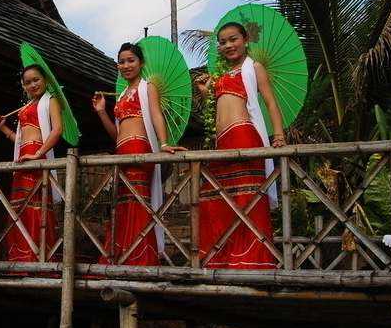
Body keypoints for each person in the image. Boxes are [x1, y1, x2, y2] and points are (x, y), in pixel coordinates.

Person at [195, 22, 285, 269]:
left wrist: (278, 135)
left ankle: (253, 260)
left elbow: (270, 102)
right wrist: (205, 92)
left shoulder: (254, 67)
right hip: (222, 140)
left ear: (245, 40)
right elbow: (219, 106)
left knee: (247, 198)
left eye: (233, 39)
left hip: (243, 134)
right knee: (217, 198)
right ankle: (225, 258)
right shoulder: (221, 75)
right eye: (223, 42)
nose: (228, 45)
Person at [92, 43, 184, 266]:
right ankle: (121, 257)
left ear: (141, 63)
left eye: (131, 60)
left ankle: (140, 258)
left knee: (138, 203)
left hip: (140, 148)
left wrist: (163, 143)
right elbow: (117, 134)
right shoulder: (121, 95)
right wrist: (102, 112)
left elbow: (156, 114)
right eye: (122, 62)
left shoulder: (148, 87)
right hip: (122, 151)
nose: (126, 65)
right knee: (122, 205)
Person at [0, 65, 64, 262]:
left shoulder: (51, 100)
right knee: (20, 207)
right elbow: (20, 139)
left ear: (45, 80)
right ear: (23, 86)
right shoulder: (26, 107)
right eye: (28, 82)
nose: (33, 85)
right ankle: (21, 256)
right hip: (23, 155)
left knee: (36, 205)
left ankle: (37, 257)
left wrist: (38, 154)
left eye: (36, 80)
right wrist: (3, 128)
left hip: (37, 154)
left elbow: (57, 130)